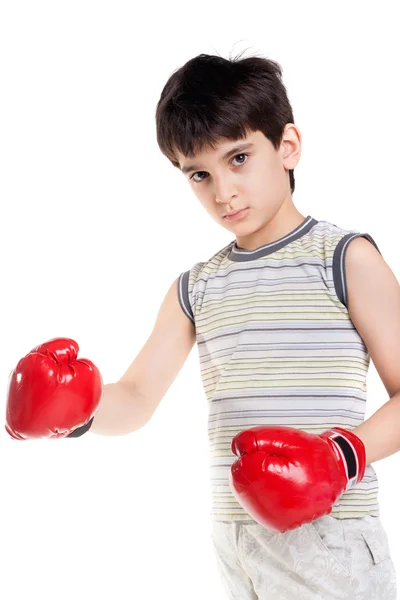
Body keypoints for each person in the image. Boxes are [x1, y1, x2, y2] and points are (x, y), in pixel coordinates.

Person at [5, 51, 399, 599]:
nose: (222, 192)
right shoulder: (196, 288)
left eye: (239, 158)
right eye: (199, 174)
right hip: (235, 539)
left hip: (329, 533)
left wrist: (339, 456)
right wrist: (75, 410)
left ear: (288, 146)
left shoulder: (345, 258)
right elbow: (138, 397)